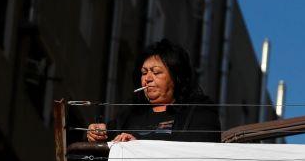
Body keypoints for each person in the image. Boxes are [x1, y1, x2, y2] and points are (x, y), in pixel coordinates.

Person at [86, 39, 221, 144]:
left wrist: (139, 147)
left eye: (156, 72)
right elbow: (102, 144)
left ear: (176, 77)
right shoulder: (130, 114)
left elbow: (199, 152)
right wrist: (96, 134)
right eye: (144, 73)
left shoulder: (199, 112)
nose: (148, 79)